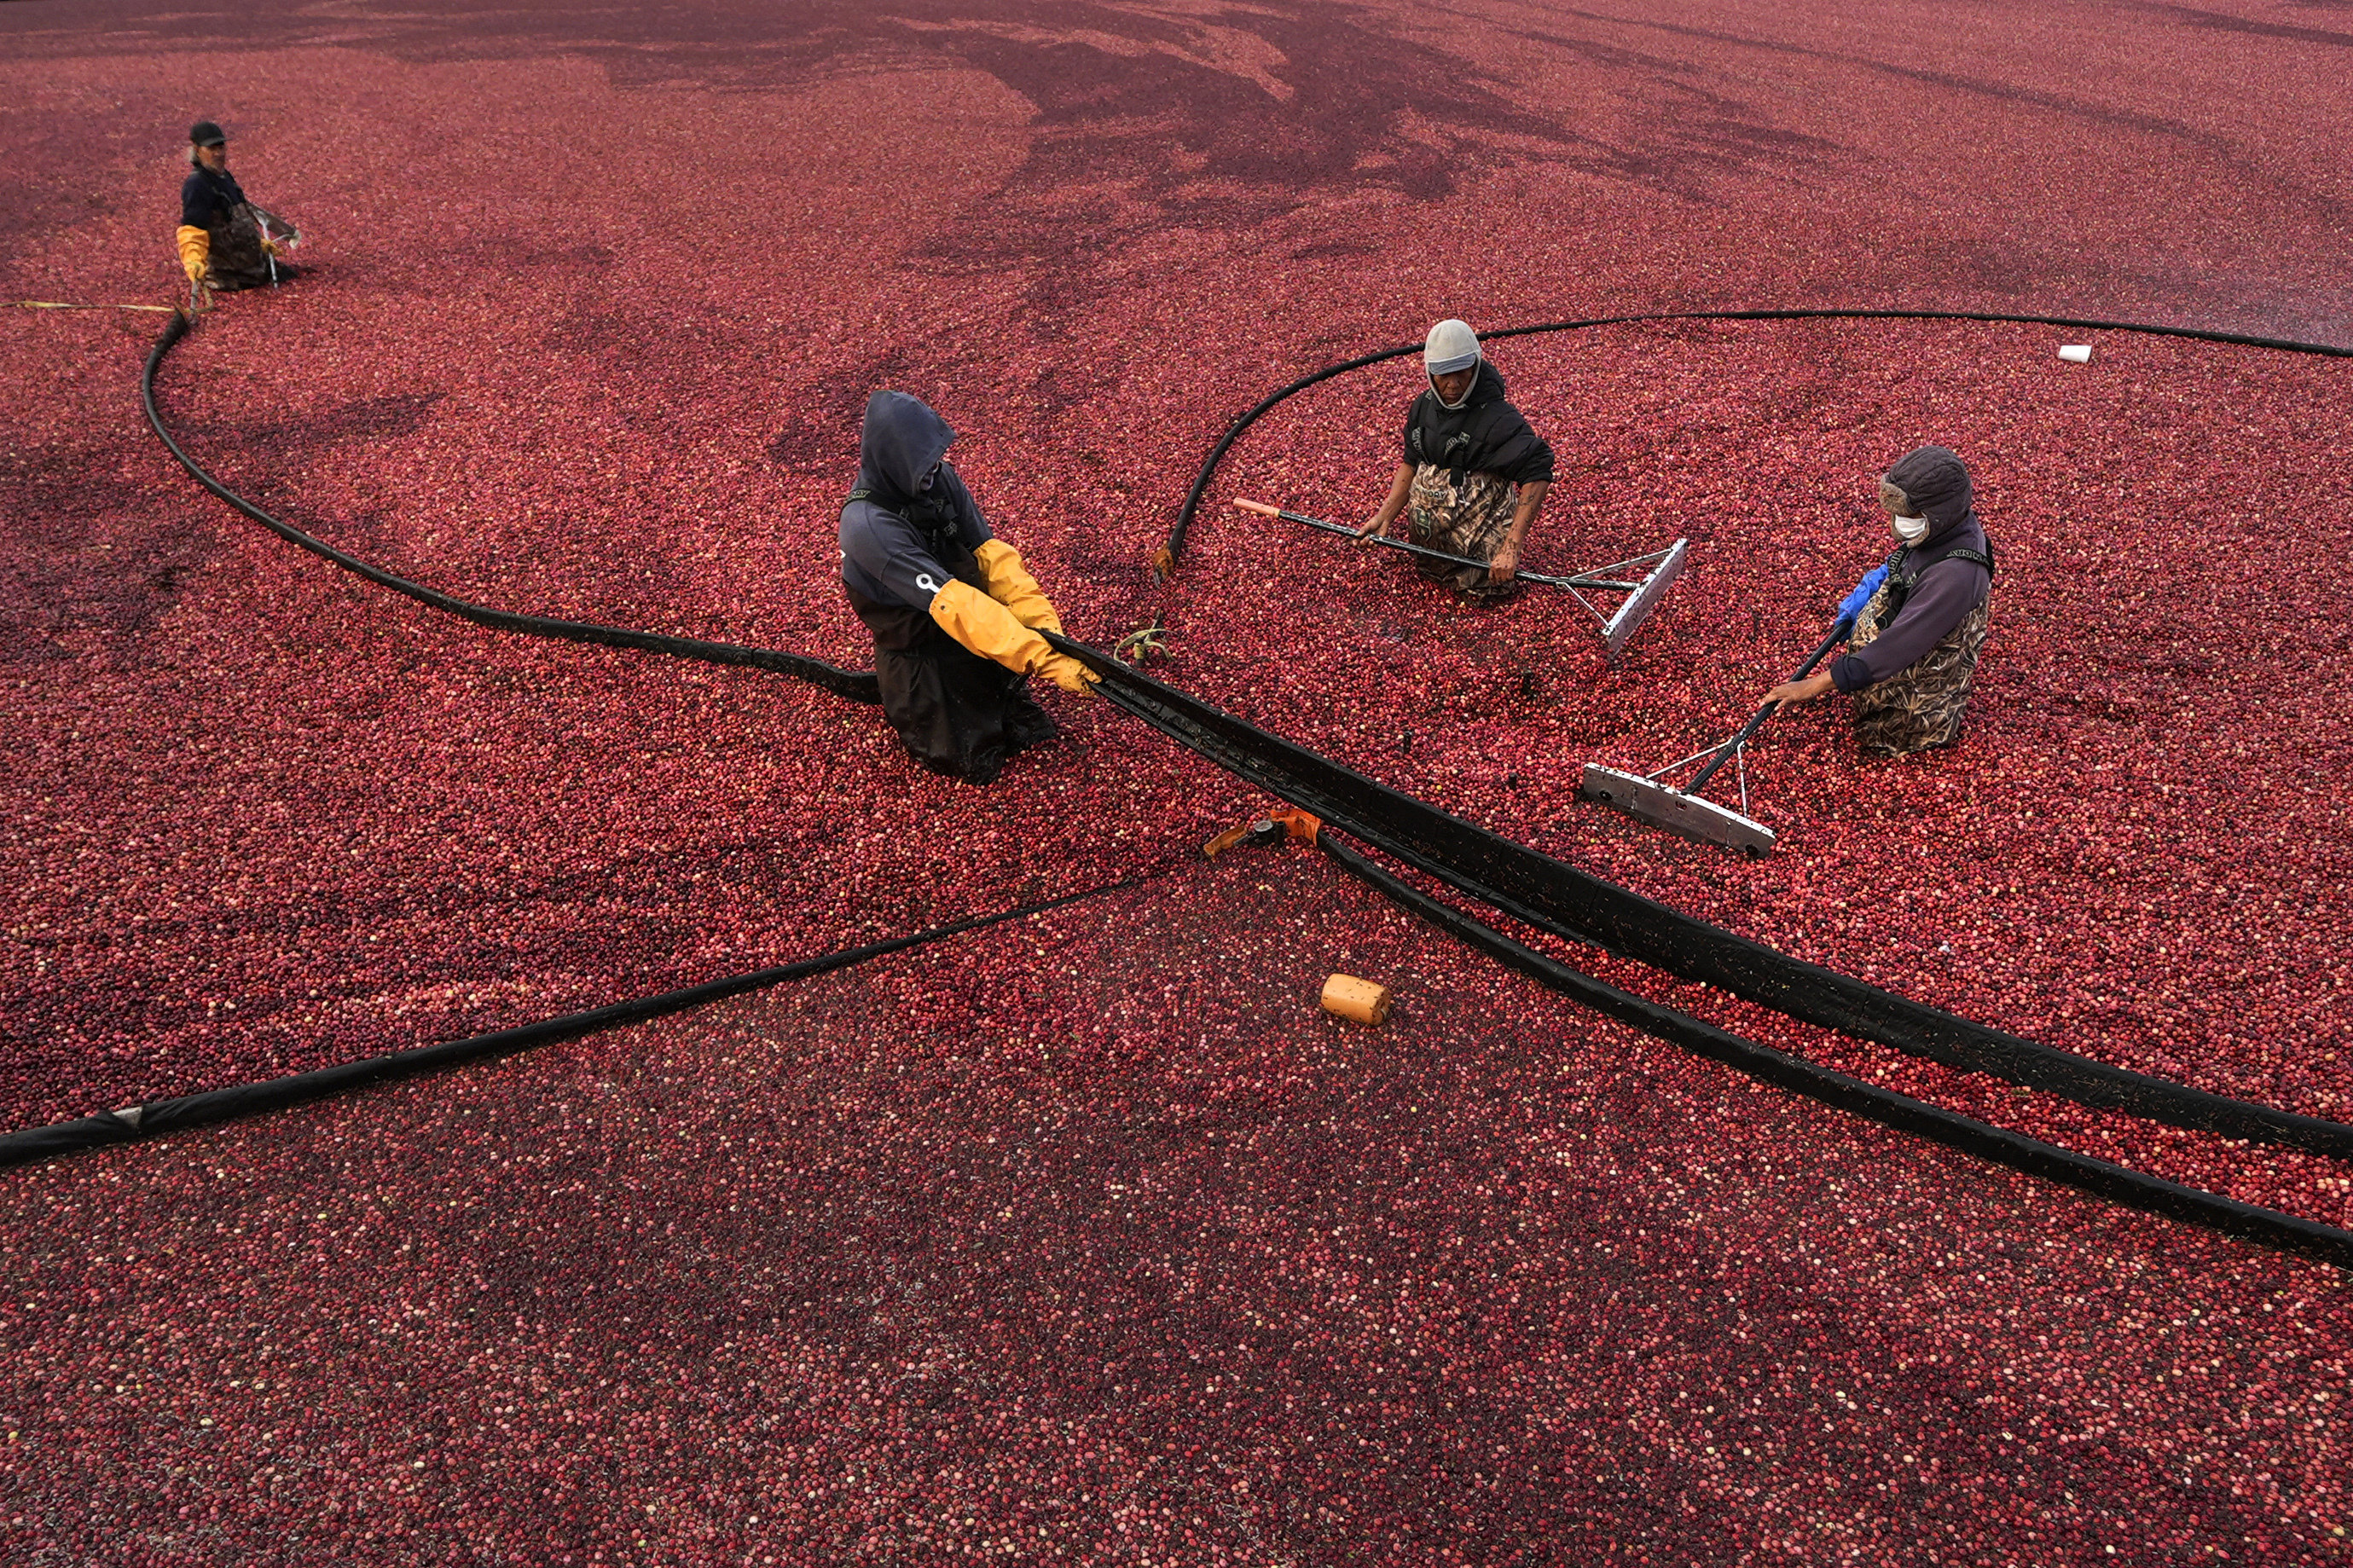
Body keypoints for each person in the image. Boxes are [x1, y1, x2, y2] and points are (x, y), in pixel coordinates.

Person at [838, 391, 1097, 784]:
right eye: (920, 463)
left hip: (969, 618)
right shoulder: (867, 526)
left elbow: (992, 556)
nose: (932, 470)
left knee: (1022, 722)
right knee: (967, 753)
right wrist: (1040, 659)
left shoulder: (941, 479)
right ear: (892, 460)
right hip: (920, 646)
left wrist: (1047, 631)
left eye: (934, 458)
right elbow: (952, 604)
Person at [1765, 445, 1996, 756]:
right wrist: (1877, 585)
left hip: (1917, 698)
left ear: (1938, 513)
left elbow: (1897, 648)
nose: (1897, 521)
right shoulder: (1945, 529)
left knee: (1893, 726)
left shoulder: (1956, 575)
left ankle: (1903, 737)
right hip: (1900, 644)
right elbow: (1912, 560)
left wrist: (1811, 686)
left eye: (1906, 513)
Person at [1356, 318, 1554, 603]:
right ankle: (1438, 558)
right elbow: (1411, 462)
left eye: (1462, 372)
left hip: (1480, 555)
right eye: (1443, 374)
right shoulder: (1423, 407)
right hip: (1430, 550)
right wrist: (1385, 516)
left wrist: (1511, 546)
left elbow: (1537, 471)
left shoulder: (1499, 420)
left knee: (1485, 591)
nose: (1453, 384)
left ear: (1476, 364)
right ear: (1429, 371)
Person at [175, 120, 295, 306]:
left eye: (221, 147)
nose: (219, 154)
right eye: (211, 149)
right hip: (227, 276)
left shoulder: (225, 177)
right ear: (197, 150)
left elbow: (239, 216)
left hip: (255, 269)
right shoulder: (197, 185)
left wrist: (257, 244)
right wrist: (193, 260)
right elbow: (192, 228)